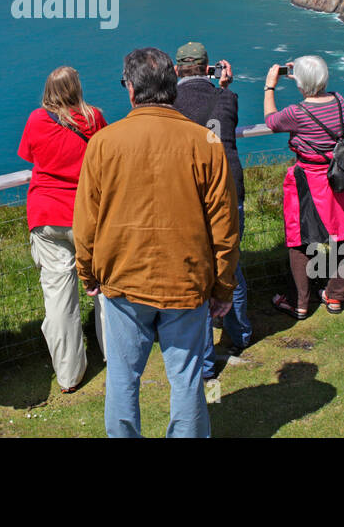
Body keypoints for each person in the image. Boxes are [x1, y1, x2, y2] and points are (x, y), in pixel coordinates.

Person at [75, 47, 239, 438]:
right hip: (187, 279)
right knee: (186, 378)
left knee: (122, 377)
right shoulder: (206, 143)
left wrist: (87, 272)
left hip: (122, 279)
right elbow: (224, 225)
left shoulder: (103, 143)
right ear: (173, 87)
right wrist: (223, 285)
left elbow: (86, 223)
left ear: (130, 89)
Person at [17, 66, 108, 393]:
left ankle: (69, 374)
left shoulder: (37, 120)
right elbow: (104, 157)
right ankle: (115, 353)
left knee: (59, 298)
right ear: (76, 88)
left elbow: (29, 155)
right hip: (88, 215)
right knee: (103, 286)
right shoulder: (95, 118)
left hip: (47, 215)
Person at [264, 55, 344, 317]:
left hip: (310, 183)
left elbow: (271, 120)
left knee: (300, 241)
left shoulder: (296, 113)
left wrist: (270, 86)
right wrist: (303, 77)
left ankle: (298, 302)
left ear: (300, 83)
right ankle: (335, 296)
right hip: (343, 176)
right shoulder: (339, 101)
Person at [172, 41, 253, 377]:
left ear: (177, 71)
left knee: (197, 278)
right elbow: (221, 122)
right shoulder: (226, 99)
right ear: (209, 69)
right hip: (229, 190)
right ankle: (240, 335)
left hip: (190, 196)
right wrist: (225, 86)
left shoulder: (170, 105)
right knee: (229, 265)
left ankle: (204, 362)